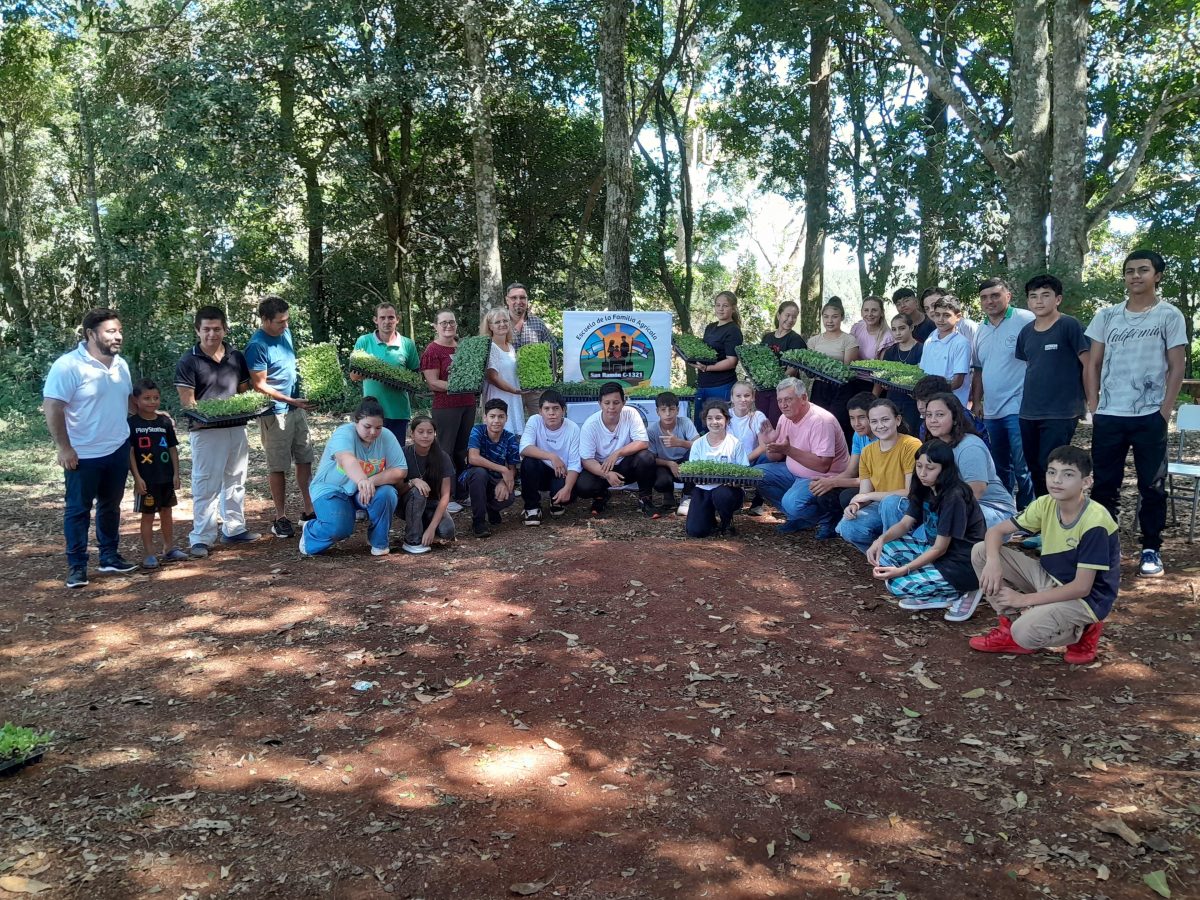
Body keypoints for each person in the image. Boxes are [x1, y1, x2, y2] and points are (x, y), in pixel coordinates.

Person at [1084, 249, 1186, 578]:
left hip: (1149, 416)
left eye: (1143, 270)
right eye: (1129, 271)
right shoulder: (1107, 316)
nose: (1135, 276)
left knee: (1152, 485)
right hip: (1110, 414)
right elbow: (1093, 363)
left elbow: (1177, 365)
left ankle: (1151, 548)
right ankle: (1104, 549)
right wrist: (1094, 406)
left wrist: (1164, 410)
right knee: (1104, 485)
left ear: (1157, 275)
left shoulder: (1169, 315)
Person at [969, 446, 1119, 664]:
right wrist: (993, 563)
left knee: (1025, 633)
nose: (1057, 480)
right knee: (981, 551)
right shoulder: (1046, 503)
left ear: (1086, 482)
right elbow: (995, 531)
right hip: (1052, 578)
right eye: (1052, 472)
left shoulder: (1095, 522)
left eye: (1068, 474)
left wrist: (1023, 600)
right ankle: (1008, 626)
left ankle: (1083, 629)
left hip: (1085, 598)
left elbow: (1082, 587)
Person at [43, 308, 139, 588]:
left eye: (119, 330)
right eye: (111, 331)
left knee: (111, 506)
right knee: (78, 510)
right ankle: (77, 566)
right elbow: (53, 406)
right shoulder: (68, 366)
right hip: (83, 454)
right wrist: (64, 448)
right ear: (90, 334)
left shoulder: (120, 364)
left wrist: (153, 415)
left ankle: (109, 556)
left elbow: (126, 401)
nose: (118, 336)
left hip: (117, 448)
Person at [175, 305, 260, 558]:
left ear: (224, 329)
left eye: (217, 329)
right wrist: (209, 413)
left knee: (235, 480)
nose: (212, 334)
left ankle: (234, 529)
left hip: (236, 427)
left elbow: (245, 392)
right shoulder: (188, 361)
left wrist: (249, 408)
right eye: (206, 329)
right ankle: (202, 536)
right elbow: (187, 401)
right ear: (197, 330)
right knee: (206, 484)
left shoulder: (236, 356)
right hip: (206, 431)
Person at [868, 440, 985, 616]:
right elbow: (905, 523)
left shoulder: (954, 496)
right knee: (884, 549)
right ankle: (937, 588)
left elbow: (940, 548)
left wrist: (904, 569)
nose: (922, 473)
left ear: (945, 469)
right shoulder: (923, 486)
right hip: (937, 552)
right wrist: (880, 539)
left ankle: (962, 590)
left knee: (897, 584)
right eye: (919, 466)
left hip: (962, 564)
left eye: (930, 468)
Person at [245, 295, 316, 539]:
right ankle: (280, 517)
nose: (285, 325)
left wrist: (304, 396)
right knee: (278, 466)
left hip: (296, 410)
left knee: (305, 458)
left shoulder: (286, 333)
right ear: (265, 320)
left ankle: (309, 510)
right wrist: (289, 401)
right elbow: (259, 385)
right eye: (279, 321)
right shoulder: (257, 345)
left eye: (287, 320)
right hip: (274, 413)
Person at [299, 397, 404, 557]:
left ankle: (378, 541)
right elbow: (346, 459)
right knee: (340, 529)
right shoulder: (344, 433)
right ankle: (311, 532)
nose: (373, 432)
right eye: (367, 426)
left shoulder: (386, 436)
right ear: (356, 422)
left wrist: (370, 481)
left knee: (387, 493)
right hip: (331, 489)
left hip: (361, 491)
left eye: (378, 427)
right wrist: (362, 480)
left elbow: (400, 470)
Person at [1017, 274, 1089, 500]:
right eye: (1033, 296)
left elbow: (1089, 365)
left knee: (1052, 467)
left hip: (1061, 411)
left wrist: (1091, 403)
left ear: (1058, 299)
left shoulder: (1069, 325)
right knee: (1034, 468)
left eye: (1045, 295)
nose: (1039, 301)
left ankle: (1062, 517)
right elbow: (1032, 366)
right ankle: (1042, 519)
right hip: (1029, 411)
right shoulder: (1026, 332)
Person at [970, 278, 1035, 509]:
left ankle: (1028, 514)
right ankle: (1004, 510)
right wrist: (977, 401)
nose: (990, 301)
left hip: (1020, 407)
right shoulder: (981, 330)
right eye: (985, 297)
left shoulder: (1026, 319)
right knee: (999, 465)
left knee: (1023, 465)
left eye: (995, 295)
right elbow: (978, 369)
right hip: (991, 410)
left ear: (1008, 296)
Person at [753, 377, 849, 535]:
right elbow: (774, 458)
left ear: (803, 398)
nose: (783, 405)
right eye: (780, 400)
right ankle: (802, 518)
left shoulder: (821, 421)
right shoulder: (785, 418)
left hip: (823, 477)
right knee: (757, 475)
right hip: (794, 472)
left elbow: (823, 466)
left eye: (788, 400)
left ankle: (829, 518)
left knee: (792, 502)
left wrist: (789, 451)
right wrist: (770, 443)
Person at [837, 398, 921, 554]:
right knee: (847, 527)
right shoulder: (868, 452)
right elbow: (864, 493)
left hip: (906, 506)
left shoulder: (911, 445)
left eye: (885, 420)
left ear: (897, 420)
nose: (880, 425)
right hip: (880, 504)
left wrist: (869, 495)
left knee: (890, 503)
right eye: (874, 421)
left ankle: (897, 557)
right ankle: (882, 559)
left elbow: (911, 491)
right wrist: (855, 505)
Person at [574, 381, 658, 518]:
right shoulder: (590, 425)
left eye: (616, 402)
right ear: (599, 403)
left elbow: (643, 442)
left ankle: (645, 499)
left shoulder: (631, 414)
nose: (611, 407)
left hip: (625, 465)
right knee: (583, 487)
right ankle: (600, 496)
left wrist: (618, 452)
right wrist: (606, 474)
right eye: (607, 403)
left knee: (646, 457)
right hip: (601, 468)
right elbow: (587, 460)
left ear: (624, 402)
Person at [128, 379, 186, 569]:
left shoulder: (164, 422)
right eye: (147, 398)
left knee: (167, 513)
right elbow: (130, 453)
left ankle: (169, 548)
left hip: (165, 477)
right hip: (146, 480)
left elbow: (172, 448)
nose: (152, 402)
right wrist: (137, 478)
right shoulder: (131, 424)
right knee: (148, 515)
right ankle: (149, 553)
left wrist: (176, 473)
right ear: (136, 400)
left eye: (156, 398)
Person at [421, 309, 473, 513]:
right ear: (435, 326)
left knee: (463, 450)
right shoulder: (433, 351)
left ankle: (462, 492)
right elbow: (433, 382)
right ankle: (446, 495)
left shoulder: (463, 348)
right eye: (443, 323)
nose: (448, 326)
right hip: (446, 407)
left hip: (467, 403)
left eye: (451, 322)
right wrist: (457, 385)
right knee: (446, 451)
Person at [350, 303, 421, 444]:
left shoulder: (407, 344)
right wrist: (376, 370)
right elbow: (353, 376)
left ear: (397, 319)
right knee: (369, 457)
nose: (387, 321)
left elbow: (415, 378)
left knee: (395, 455)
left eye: (391, 317)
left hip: (398, 412)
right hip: (370, 413)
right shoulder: (364, 341)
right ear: (375, 320)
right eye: (382, 317)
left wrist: (399, 378)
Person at [809, 392, 878, 537]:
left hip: (880, 488)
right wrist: (827, 482)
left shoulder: (882, 437)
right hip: (864, 483)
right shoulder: (858, 436)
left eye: (861, 417)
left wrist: (834, 482)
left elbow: (875, 480)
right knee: (823, 492)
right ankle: (833, 523)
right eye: (852, 418)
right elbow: (851, 471)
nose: (856, 424)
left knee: (846, 496)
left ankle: (866, 530)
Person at [685, 400, 750, 538]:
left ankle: (727, 521)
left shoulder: (735, 443)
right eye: (710, 418)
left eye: (719, 418)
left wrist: (736, 482)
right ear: (705, 420)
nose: (714, 422)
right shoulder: (698, 444)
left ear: (726, 419)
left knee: (722, 494)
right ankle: (710, 519)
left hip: (728, 491)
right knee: (696, 531)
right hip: (703, 489)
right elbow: (693, 470)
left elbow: (744, 470)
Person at [519, 389, 582, 525]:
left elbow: (575, 464)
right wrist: (552, 456)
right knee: (529, 462)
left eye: (556, 408)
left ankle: (556, 502)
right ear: (540, 411)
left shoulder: (573, 428)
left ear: (563, 410)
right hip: (539, 470)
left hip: (560, 473)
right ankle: (532, 508)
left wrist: (568, 489)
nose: (551, 413)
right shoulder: (534, 421)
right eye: (546, 409)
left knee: (568, 496)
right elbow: (524, 447)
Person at [397, 414, 455, 554]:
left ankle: (424, 528)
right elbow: (397, 489)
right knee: (418, 491)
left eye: (430, 432)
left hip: (432, 505)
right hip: (407, 503)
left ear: (434, 434)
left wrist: (431, 529)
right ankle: (412, 540)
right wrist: (413, 482)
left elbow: (445, 496)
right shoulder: (403, 453)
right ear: (412, 433)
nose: (425, 436)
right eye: (420, 432)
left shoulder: (442, 457)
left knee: (447, 531)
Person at [463, 398, 521, 537]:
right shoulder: (477, 430)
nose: (496, 421)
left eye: (501, 417)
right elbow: (473, 457)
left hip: (495, 479)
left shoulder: (510, 438)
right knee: (479, 473)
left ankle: (491, 508)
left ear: (506, 418)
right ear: (485, 417)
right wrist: (502, 469)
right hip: (473, 478)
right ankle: (479, 521)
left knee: (509, 496)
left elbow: (512, 467)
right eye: (492, 416)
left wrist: (503, 481)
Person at [689, 291, 743, 428]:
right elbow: (704, 352)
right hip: (703, 384)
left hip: (721, 386)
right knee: (700, 426)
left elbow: (732, 362)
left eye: (725, 305)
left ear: (733, 308)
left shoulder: (733, 331)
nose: (720, 308)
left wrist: (707, 368)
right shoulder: (710, 327)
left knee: (718, 426)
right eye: (718, 305)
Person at [807, 301, 861, 439]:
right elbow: (809, 371)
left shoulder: (849, 340)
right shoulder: (814, 341)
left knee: (839, 424)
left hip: (842, 388)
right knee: (818, 423)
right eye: (826, 317)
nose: (829, 321)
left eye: (834, 316)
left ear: (842, 317)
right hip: (820, 387)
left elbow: (847, 369)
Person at [505, 282, 558, 418]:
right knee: (510, 425)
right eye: (514, 298)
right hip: (509, 386)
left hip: (536, 389)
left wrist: (551, 377)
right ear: (507, 300)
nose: (519, 301)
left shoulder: (538, 323)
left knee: (541, 423)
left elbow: (552, 350)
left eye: (522, 298)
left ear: (527, 300)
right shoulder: (499, 323)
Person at [648, 391, 699, 515]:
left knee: (695, 456)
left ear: (677, 410)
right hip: (664, 463)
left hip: (685, 460)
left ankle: (687, 495)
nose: (668, 414)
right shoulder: (652, 430)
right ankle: (668, 494)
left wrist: (680, 442)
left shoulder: (685, 422)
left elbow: (700, 445)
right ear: (657, 411)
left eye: (671, 409)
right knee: (661, 482)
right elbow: (651, 457)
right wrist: (669, 463)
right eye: (663, 409)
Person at [919, 296, 972, 407]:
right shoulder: (929, 341)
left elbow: (958, 381)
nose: (940, 320)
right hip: (928, 404)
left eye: (946, 315)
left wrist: (934, 395)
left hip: (953, 406)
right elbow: (922, 373)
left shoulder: (961, 343)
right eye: (937, 315)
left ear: (958, 317)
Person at [758, 300, 806, 420]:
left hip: (784, 392)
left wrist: (776, 383)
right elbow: (759, 361)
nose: (790, 320)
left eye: (794, 317)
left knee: (778, 422)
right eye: (787, 315)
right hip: (763, 389)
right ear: (779, 315)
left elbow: (793, 369)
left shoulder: (795, 340)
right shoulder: (767, 337)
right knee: (762, 422)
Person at [480, 307, 525, 436]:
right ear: (490, 326)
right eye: (497, 322)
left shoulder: (510, 346)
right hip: (498, 396)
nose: (502, 324)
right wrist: (514, 390)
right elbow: (492, 377)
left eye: (505, 320)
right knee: (499, 433)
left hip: (513, 396)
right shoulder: (490, 347)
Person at [729, 381, 771, 515]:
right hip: (729, 461)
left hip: (751, 459)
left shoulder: (758, 416)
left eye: (747, 396)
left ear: (753, 397)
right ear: (732, 398)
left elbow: (764, 446)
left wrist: (744, 460)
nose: (743, 399)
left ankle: (758, 502)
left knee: (768, 457)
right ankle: (736, 497)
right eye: (738, 396)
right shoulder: (724, 415)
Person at [881, 313, 923, 432]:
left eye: (902, 328)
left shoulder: (921, 349)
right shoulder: (890, 351)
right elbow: (883, 380)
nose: (897, 333)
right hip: (893, 400)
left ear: (911, 328)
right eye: (894, 329)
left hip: (913, 403)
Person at [851, 295, 895, 361]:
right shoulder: (857, 327)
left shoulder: (887, 338)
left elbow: (882, 367)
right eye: (866, 310)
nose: (869, 314)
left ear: (882, 313)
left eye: (874, 310)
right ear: (861, 312)